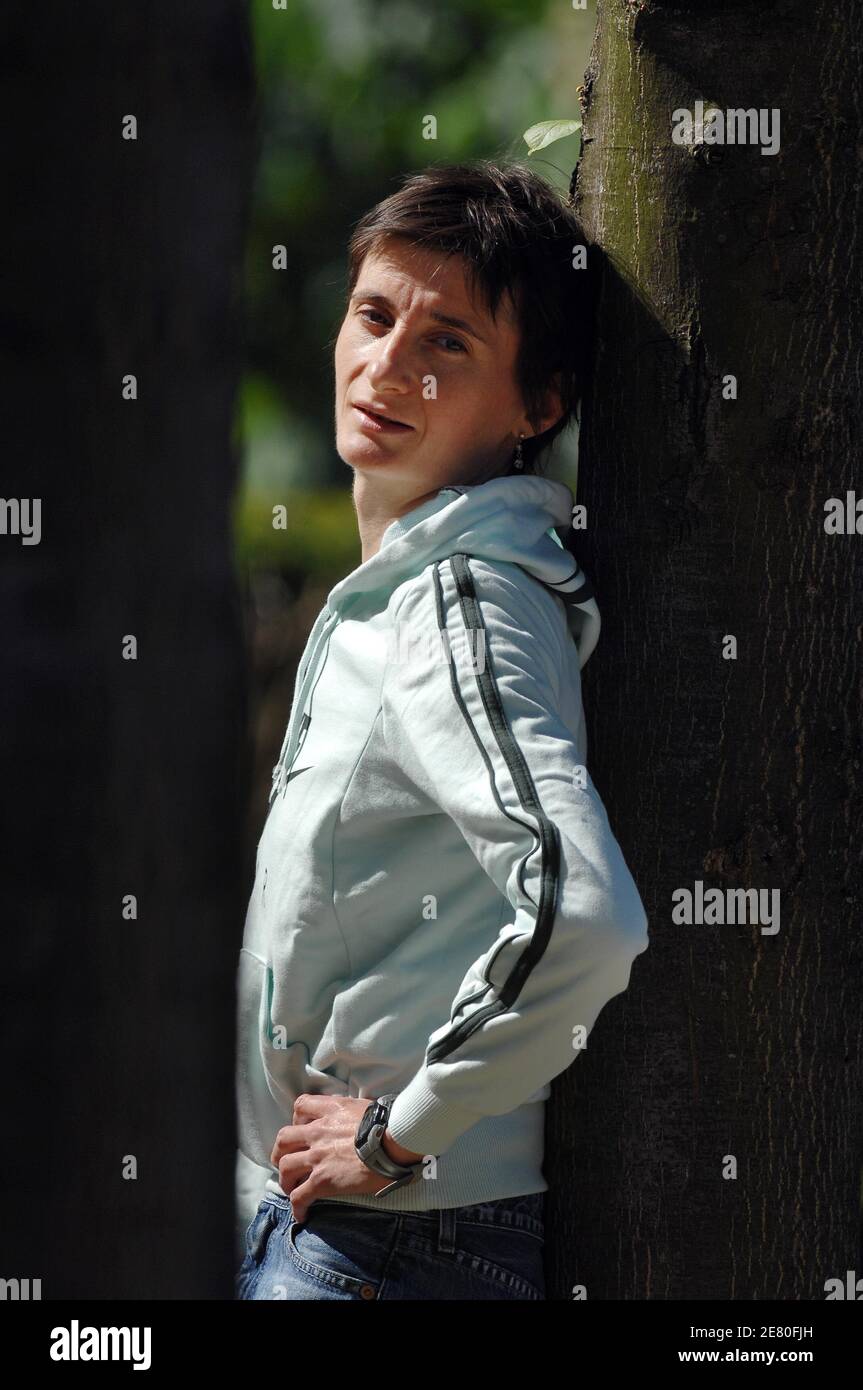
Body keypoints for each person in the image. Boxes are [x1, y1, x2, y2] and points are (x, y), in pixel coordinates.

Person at [234, 159, 649, 1300]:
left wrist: (399, 1132)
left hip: (392, 1247)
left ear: (539, 406)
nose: (389, 364)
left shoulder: (457, 603)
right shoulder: (403, 584)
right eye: (374, 315)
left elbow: (586, 914)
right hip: (319, 1228)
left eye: (447, 344)